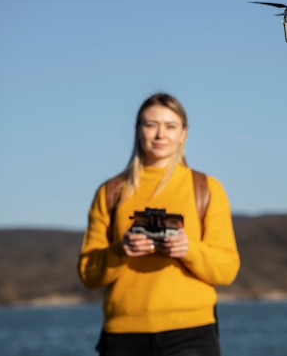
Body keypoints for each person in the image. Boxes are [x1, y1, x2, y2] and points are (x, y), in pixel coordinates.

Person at [77, 93, 240, 356]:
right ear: (137, 130)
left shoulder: (206, 188)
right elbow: (88, 273)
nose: (160, 135)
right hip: (123, 334)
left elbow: (227, 269)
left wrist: (188, 249)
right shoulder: (111, 192)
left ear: (184, 133)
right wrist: (122, 250)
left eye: (170, 126)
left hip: (192, 333)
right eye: (151, 125)